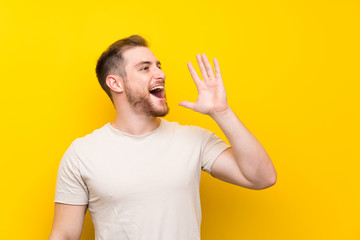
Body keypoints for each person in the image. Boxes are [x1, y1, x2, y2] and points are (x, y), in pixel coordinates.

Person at [49, 35, 277, 240]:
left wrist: (222, 112)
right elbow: (64, 235)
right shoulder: (82, 153)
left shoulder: (194, 140)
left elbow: (262, 178)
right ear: (116, 83)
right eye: (145, 68)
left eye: (158, 66)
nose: (161, 74)